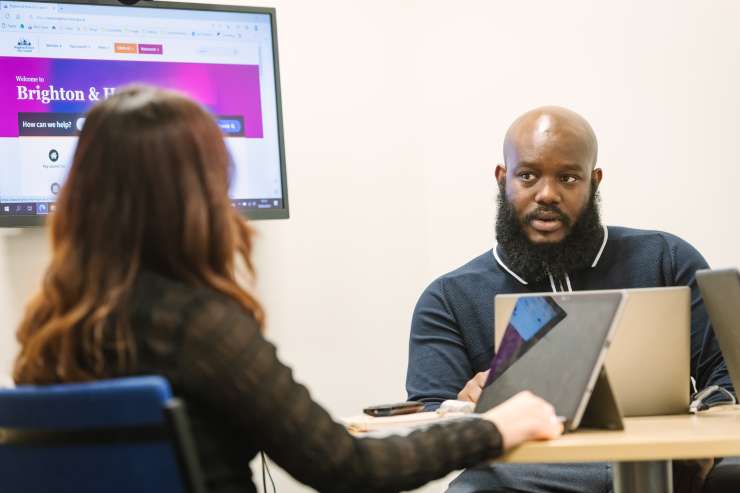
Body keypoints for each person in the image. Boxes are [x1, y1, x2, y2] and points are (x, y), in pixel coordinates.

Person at [12, 85, 563, 493]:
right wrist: (493, 428)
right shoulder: (198, 327)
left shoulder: (51, 332)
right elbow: (345, 467)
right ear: (197, 199)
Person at [405, 106, 734, 492]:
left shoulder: (667, 259)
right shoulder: (448, 298)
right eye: (527, 175)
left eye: (568, 177)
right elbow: (430, 418)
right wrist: (464, 406)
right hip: (526, 472)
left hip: (666, 459)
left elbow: (727, 380)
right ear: (502, 179)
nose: (547, 194)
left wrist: (702, 446)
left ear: (593, 182)